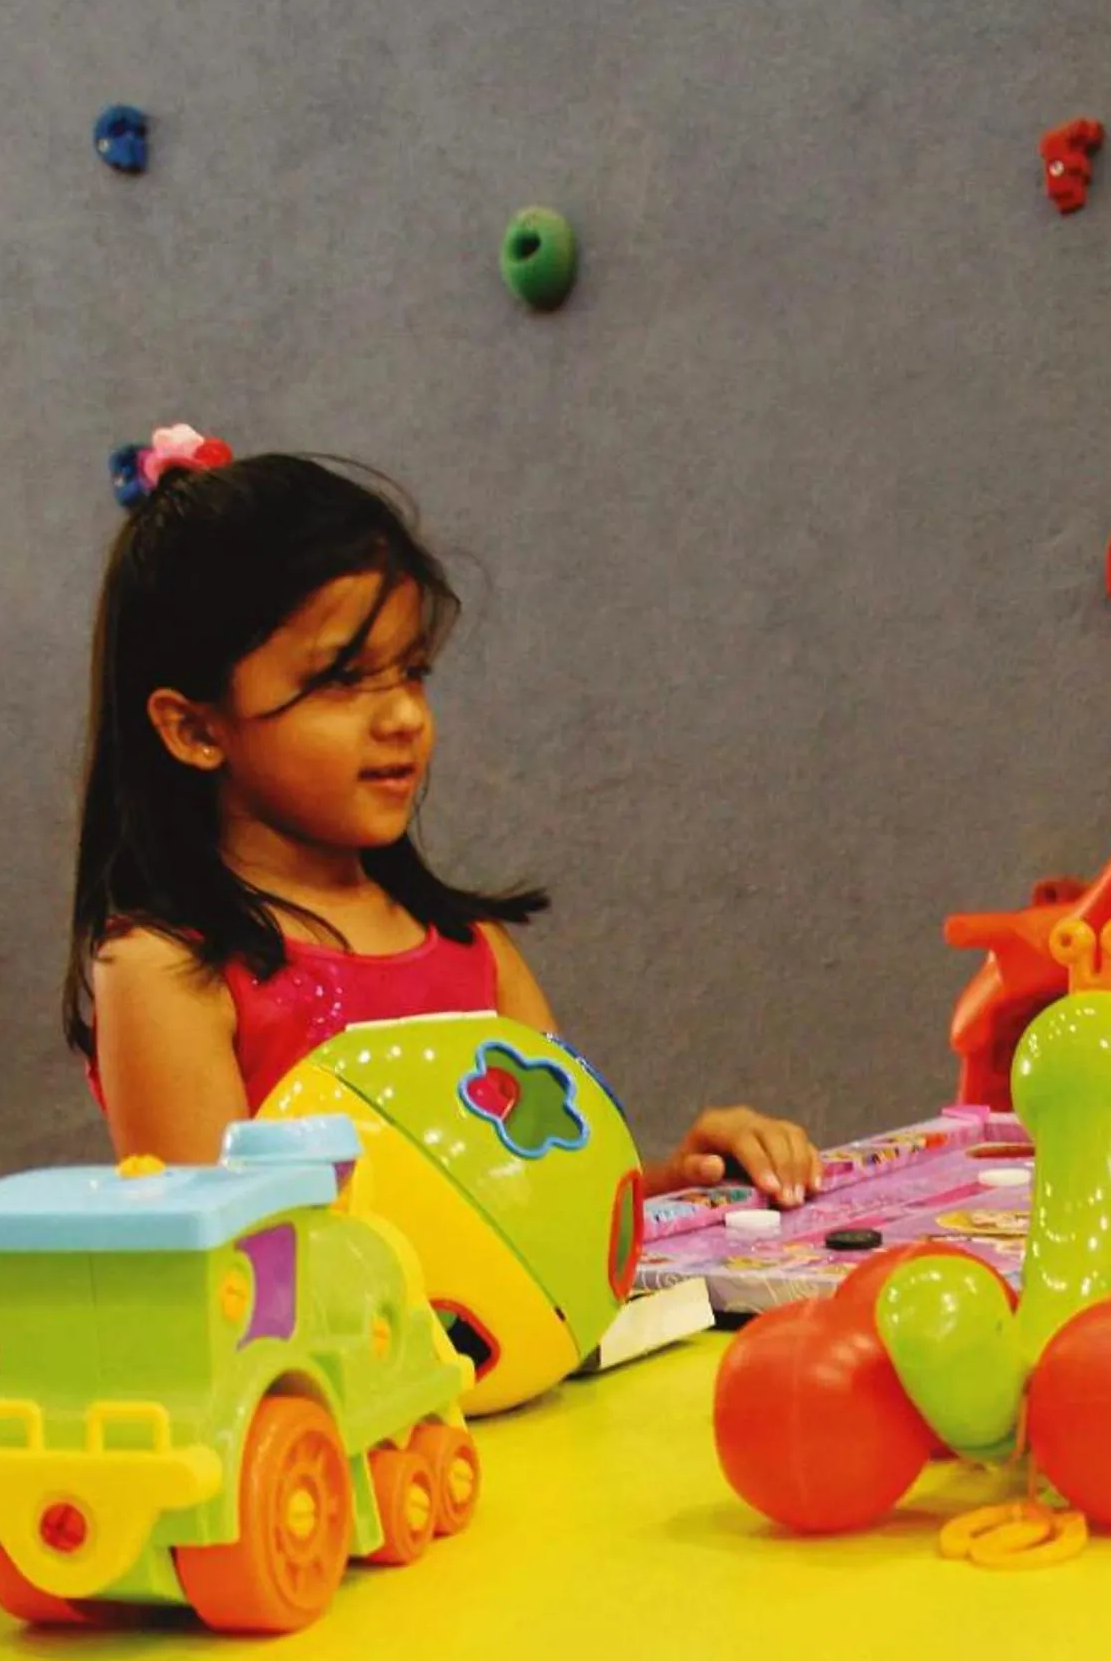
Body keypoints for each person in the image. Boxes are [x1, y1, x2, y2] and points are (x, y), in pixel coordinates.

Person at [65, 431, 822, 1204]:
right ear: (195, 729)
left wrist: (689, 1186)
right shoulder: (165, 972)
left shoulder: (473, 948)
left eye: (412, 671)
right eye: (344, 679)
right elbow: (226, 1282)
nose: (402, 716)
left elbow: (555, 1210)